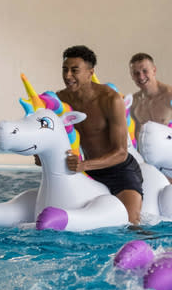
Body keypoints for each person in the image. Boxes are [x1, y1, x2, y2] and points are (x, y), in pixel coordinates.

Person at [56, 45, 143, 225]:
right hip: (88, 171)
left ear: (90, 72)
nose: (67, 76)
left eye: (74, 70)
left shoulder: (110, 100)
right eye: (65, 70)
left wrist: (84, 164)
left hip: (120, 170)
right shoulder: (61, 100)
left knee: (130, 224)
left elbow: (121, 152)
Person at [128, 53, 172, 140]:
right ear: (132, 76)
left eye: (145, 71)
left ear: (154, 70)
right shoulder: (134, 102)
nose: (141, 77)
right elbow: (136, 134)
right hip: (146, 152)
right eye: (136, 73)